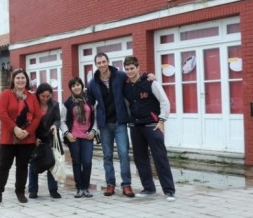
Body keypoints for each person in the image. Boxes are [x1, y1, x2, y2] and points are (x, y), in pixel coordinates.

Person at [123, 56, 176, 202]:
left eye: (132, 68)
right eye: (127, 69)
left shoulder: (150, 82)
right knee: (140, 159)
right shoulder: (125, 85)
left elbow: (164, 101)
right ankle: (149, 188)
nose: (129, 71)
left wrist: (162, 120)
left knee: (160, 158)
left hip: (153, 126)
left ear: (138, 68)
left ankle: (169, 191)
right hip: (135, 126)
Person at [0, 68, 41, 206]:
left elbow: (37, 116)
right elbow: (2, 114)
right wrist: (15, 128)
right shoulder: (6, 94)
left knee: (22, 166)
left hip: (26, 139)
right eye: (18, 78)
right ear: (13, 80)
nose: (20, 80)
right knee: (4, 166)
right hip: (8, 138)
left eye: (23, 78)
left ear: (26, 80)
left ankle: (20, 192)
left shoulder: (31, 97)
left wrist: (27, 131)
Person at [86, 53, 135, 197]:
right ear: (96, 65)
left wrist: (148, 77)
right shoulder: (93, 83)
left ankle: (126, 185)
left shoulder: (119, 76)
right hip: (104, 124)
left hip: (120, 122)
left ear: (108, 62)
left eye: (103, 61)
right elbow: (89, 101)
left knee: (124, 153)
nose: (101, 65)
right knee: (107, 155)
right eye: (99, 63)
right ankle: (110, 184)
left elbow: (133, 79)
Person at [60, 77, 97, 198]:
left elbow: (95, 118)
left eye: (78, 84)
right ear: (70, 88)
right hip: (74, 137)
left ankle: (86, 188)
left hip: (87, 136)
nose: (76, 87)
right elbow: (62, 120)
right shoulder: (68, 103)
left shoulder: (90, 100)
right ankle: (79, 188)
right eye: (73, 86)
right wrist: (67, 133)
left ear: (82, 85)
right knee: (77, 162)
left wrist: (94, 130)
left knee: (87, 162)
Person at [28, 83, 61, 199]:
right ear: (38, 95)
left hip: (50, 138)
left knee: (51, 162)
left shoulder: (55, 105)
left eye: (48, 96)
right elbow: (28, 122)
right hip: (35, 137)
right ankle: (32, 190)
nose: (45, 99)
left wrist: (55, 126)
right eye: (43, 96)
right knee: (33, 163)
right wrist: (33, 136)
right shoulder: (32, 105)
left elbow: (58, 119)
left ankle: (53, 190)